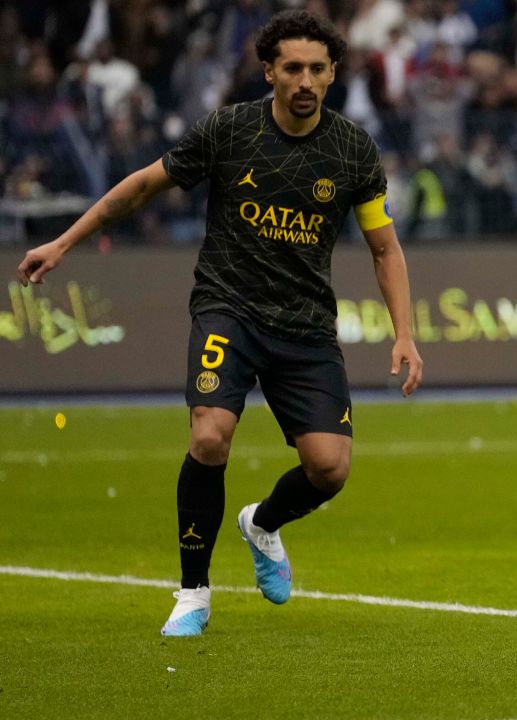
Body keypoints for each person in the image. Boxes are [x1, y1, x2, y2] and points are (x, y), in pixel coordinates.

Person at [16, 10, 424, 637]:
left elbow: (383, 247)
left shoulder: (352, 149)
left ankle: (261, 524)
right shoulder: (230, 130)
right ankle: (193, 594)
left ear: (334, 72)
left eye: (317, 68)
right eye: (292, 68)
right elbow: (142, 187)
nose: (306, 79)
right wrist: (65, 243)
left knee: (330, 468)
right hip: (227, 309)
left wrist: (404, 332)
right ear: (270, 71)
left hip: (306, 325)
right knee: (209, 438)